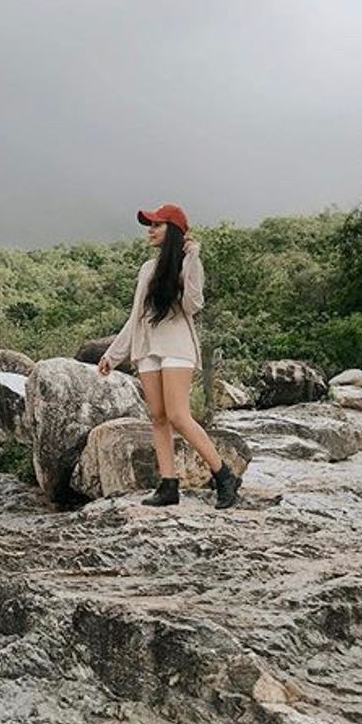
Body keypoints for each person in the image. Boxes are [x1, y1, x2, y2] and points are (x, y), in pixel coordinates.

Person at [97, 203, 242, 509]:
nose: (150, 231)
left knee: (178, 415)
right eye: (150, 225)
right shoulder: (147, 269)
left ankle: (224, 476)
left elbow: (192, 304)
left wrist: (192, 258)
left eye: (157, 225)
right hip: (148, 349)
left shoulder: (188, 263)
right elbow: (136, 316)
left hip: (176, 347)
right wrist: (113, 354)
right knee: (158, 417)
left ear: (173, 231)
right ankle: (168, 485)